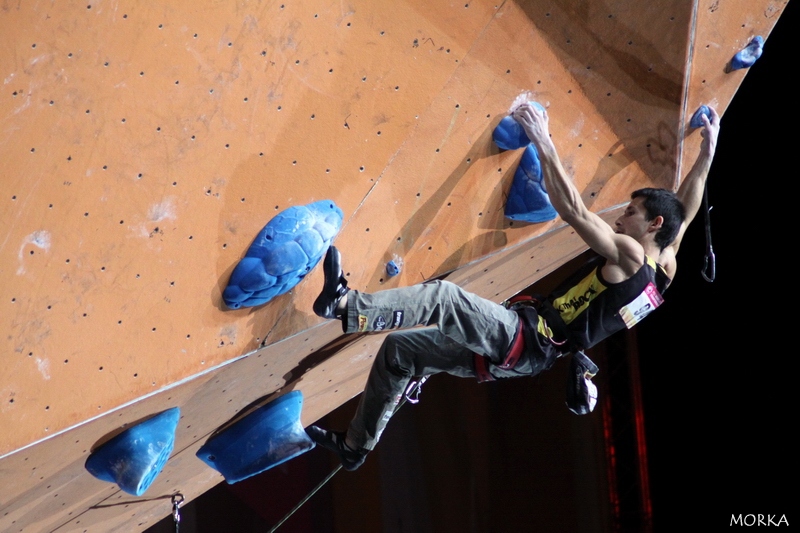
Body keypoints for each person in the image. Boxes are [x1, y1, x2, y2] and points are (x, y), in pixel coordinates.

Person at [306, 104, 721, 471]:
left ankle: (345, 305)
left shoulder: (631, 255)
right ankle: (356, 447)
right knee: (400, 353)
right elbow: (686, 207)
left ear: (653, 225)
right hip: (527, 353)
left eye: (631, 213)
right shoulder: (663, 273)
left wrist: (543, 138)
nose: (619, 220)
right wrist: (707, 153)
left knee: (442, 299)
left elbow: (574, 210)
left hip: (525, 338)